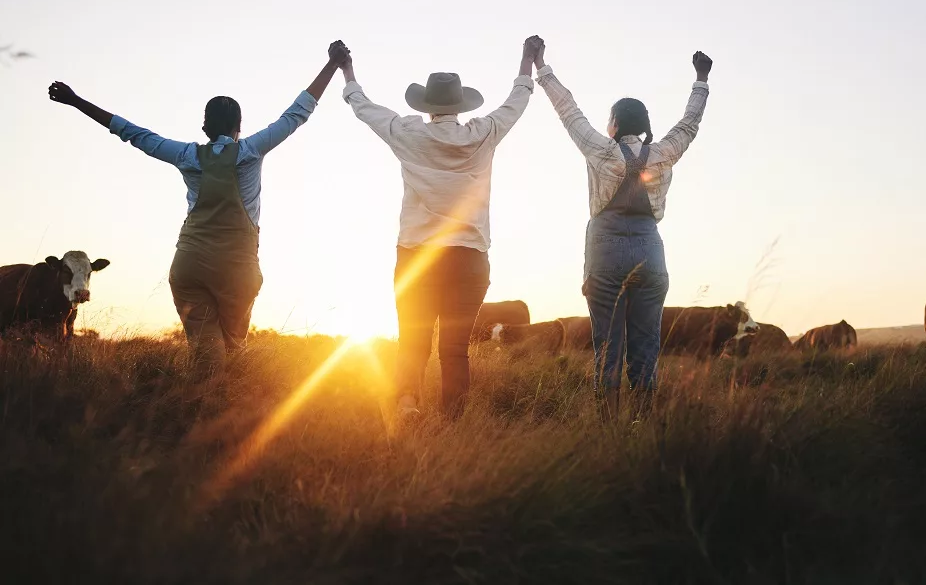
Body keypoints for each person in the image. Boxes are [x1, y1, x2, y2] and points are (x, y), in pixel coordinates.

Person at [47, 42, 349, 371]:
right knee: (233, 352)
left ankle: (196, 406)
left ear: (205, 128)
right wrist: (333, 65)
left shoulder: (187, 155)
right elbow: (297, 113)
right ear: (239, 127)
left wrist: (75, 101)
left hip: (190, 266)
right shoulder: (251, 150)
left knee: (206, 356)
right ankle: (227, 412)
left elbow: (132, 132)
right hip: (237, 269)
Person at [338, 37, 543, 421]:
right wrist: (526, 61)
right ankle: (451, 426)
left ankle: (407, 405)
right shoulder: (483, 133)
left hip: (417, 257)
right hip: (468, 260)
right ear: (460, 105)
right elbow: (517, 102)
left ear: (428, 107)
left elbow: (365, 109)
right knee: (454, 351)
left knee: (413, 344)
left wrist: (347, 72)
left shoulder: (408, 133)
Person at [533, 39, 712, 421]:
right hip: (650, 252)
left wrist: (542, 66)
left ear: (613, 125)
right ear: (645, 128)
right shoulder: (662, 153)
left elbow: (569, 111)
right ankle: (640, 425)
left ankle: (610, 429)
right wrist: (701, 79)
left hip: (605, 251)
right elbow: (689, 125)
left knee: (608, 345)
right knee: (646, 344)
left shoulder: (601, 149)